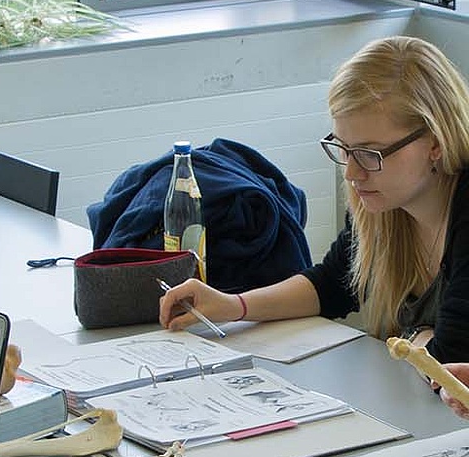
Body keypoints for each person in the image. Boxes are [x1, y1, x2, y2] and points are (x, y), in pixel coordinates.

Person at [159, 36, 469, 360]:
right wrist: (232, 305)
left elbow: (449, 359)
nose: (351, 173)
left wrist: (414, 338)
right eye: (344, 149)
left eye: (368, 153)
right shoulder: (385, 204)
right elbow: (331, 285)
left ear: (435, 143)